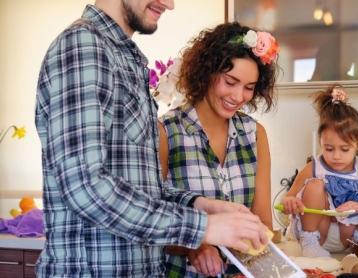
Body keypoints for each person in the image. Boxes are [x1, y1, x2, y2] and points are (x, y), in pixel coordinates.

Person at [34, 1, 269, 277]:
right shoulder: (82, 46)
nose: (169, 4)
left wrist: (200, 205)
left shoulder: (124, 58)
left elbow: (144, 191)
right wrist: (203, 228)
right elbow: (85, 186)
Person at [158, 22, 279, 277]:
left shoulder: (255, 135)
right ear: (207, 73)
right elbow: (149, 221)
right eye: (230, 81)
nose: (238, 96)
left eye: (249, 87)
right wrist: (196, 245)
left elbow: (262, 225)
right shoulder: (166, 132)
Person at [281, 84, 358, 258]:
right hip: (321, 236)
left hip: (353, 238)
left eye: (344, 149)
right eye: (329, 148)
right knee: (314, 185)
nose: (336, 156)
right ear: (320, 141)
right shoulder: (314, 166)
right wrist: (289, 202)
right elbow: (287, 198)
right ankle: (309, 241)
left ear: (357, 145)